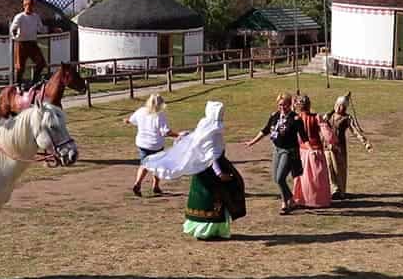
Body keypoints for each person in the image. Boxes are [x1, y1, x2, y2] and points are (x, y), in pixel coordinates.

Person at [144, 101, 246, 240]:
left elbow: (198, 139)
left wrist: (186, 134)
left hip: (201, 170)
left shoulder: (205, 125)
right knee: (221, 194)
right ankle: (210, 230)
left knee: (205, 198)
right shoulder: (212, 130)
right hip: (212, 171)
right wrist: (219, 173)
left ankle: (203, 228)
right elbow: (212, 154)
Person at [246, 92, 307, 215]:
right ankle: (291, 200)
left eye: (285, 105)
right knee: (276, 178)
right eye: (280, 105)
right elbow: (265, 130)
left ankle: (285, 203)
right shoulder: (275, 116)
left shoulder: (295, 119)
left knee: (280, 178)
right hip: (277, 149)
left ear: (290, 105)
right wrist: (252, 142)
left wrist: (313, 150)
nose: (282, 107)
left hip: (289, 151)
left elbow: (304, 137)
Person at [124, 93, 181, 196]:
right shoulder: (160, 115)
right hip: (155, 144)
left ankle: (138, 183)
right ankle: (155, 186)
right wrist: (178, 135)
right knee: (157, 165)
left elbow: (132, 120)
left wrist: (127, 121)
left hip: (142, 143)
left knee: (144, 164)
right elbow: (165, 131)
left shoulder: (141, 111)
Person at [322, 93, 372, 200]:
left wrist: (365, 142)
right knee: (329, 168)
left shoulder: (347, 118)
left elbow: (355, 131)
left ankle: (341, 191)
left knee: (339, 169)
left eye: (343, 106)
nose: (340, 108)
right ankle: (334, 190)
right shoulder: (329, 116)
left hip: (339, 147)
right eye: (339, 105)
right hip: (327, 146)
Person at [292, 94, 335, 208]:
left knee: (302, 177)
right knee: (316, 178)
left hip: (301, 150)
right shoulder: (316, 117)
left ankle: (301, 198)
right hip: (315, 150)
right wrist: (332, 140)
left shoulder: (296, 117)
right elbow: (328, 135)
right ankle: (317, 200)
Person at [10, 0, 48, 84]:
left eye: (31, 6)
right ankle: (17, 84)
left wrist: (52, 29)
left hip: (32, 43)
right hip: (21, 44)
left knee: (41, 63)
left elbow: (41, 29)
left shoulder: (36, 17)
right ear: (24, 6)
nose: (29, 7)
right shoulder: (19, 17)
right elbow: (12, 29)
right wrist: (15, 36)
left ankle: (34, 81)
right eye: (27, 5)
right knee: (20, 67)